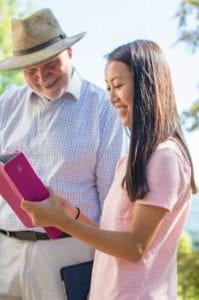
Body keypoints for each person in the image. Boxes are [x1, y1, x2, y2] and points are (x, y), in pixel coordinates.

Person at [22, 39, 198, 300]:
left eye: (118, 85)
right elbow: (114, 237)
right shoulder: (132, 160)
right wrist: (71, 212)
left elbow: (135, 247)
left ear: (146, 85)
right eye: (107, 87)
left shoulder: (165, 158)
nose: (112, 97)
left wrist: (62, 222)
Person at [0, 8, 123, 300]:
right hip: (5, 252)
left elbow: (111, 204)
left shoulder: (103, 110)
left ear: (69, 52)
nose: (42, 77)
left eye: (50, 64)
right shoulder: (6, 104)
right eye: (31, 69)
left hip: (68, 255)